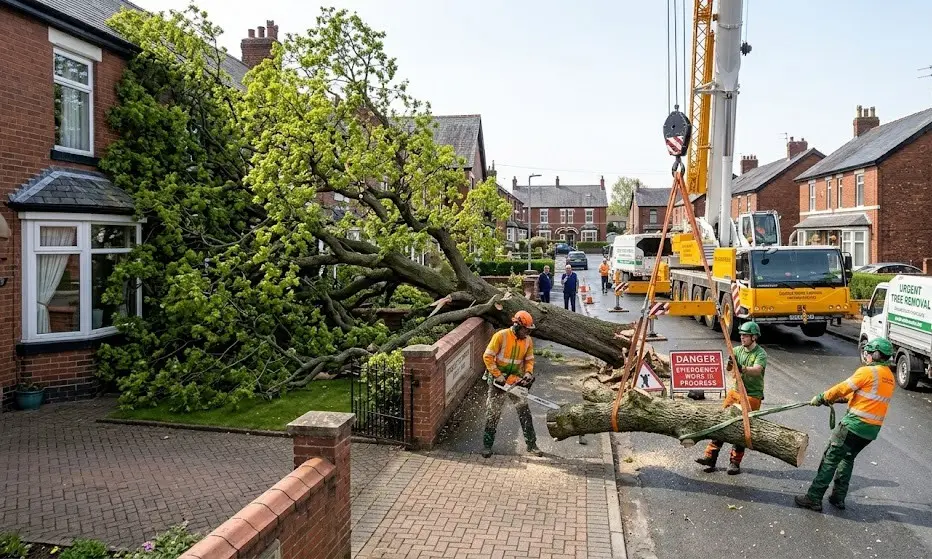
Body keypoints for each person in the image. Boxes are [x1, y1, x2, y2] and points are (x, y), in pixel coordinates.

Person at [794, 338, 895, 512]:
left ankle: (813, 498)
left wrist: (822, 397)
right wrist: (838, 400)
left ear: (875, 355)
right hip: (870, 432)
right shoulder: (888, 377)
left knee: (830, 459)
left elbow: (843, 388)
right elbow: (863, 396)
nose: (867, 356)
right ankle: (838, 497)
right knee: (847, 459)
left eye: (868, 353)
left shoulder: (867, 372)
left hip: (852, 426)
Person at [695, 321, 766, 475]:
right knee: (721, 422)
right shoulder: (737, 350)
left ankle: (735, 462)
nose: (742, 338)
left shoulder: (760, 354)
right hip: (735, 393)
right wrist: (729, 362)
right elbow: (728, 369)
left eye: (745, 335)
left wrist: (743, 368)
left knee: (741, 429)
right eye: (741, 335)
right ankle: (710, 457)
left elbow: (757, 370)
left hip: (751, 396)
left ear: (754, 337)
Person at [481, 310, 542, 458]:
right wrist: (498, 375)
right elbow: (488, 356)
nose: (527, 332)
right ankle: (487, 446)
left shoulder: (527, 340)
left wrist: (528, 373)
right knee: (493, 413)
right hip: (499, 382)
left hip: (516, 381)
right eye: (525, 329)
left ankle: (532, 445)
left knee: (524, 413)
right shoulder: (501, 336)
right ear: (516, 326)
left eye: (529, 330)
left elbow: (529, 359)